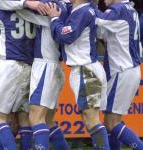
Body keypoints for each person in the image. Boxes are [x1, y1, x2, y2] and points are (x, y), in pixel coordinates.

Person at [0, 0, 70, 149]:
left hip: (45, 65)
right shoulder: (63, 6)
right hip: (48, 66)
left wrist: (25, 3)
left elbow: (4, 3)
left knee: (34, 118)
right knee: (47, 122)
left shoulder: (49, 6)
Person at [44, 0, 110, 149]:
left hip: (85, 70)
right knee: (90, 121)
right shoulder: (82, 9)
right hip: (88, 68)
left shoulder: (83, 11)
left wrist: (54, 18)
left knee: (91, 120)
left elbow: (66, 36)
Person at [95, 0, 143, 149]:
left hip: (122, 71)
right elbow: (101, 31)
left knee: (111, 123)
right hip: (129, 69)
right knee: (111, 121)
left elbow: (94, 19)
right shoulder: (129, 9)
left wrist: (91, 4)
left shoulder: (118, 9)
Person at [0, 1, 36, 149]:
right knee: (24, 118)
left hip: (9, 65)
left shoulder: (2, 8)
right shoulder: (34, 8)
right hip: (30, 66)